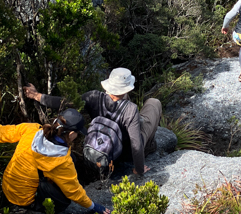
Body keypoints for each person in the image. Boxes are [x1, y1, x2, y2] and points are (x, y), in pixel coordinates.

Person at [0, 103, 109, 214]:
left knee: (70, 161)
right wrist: (93, 206)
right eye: (77, 133)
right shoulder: (62, 161)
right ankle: (40, 212)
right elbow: (73, 191)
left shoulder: (31, 129)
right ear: (70, 134)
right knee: (65, 199)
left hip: (8, 187)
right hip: (24, 200)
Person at [24, 68, 162, 177]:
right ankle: (150, 146)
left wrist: (36, 96)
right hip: (123, 153)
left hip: (102, 149)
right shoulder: (130, 109)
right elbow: (136, 144)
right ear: (127, 89)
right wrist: (139, 169)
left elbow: (65, 103)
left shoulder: (93, 97)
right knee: (153, 103)